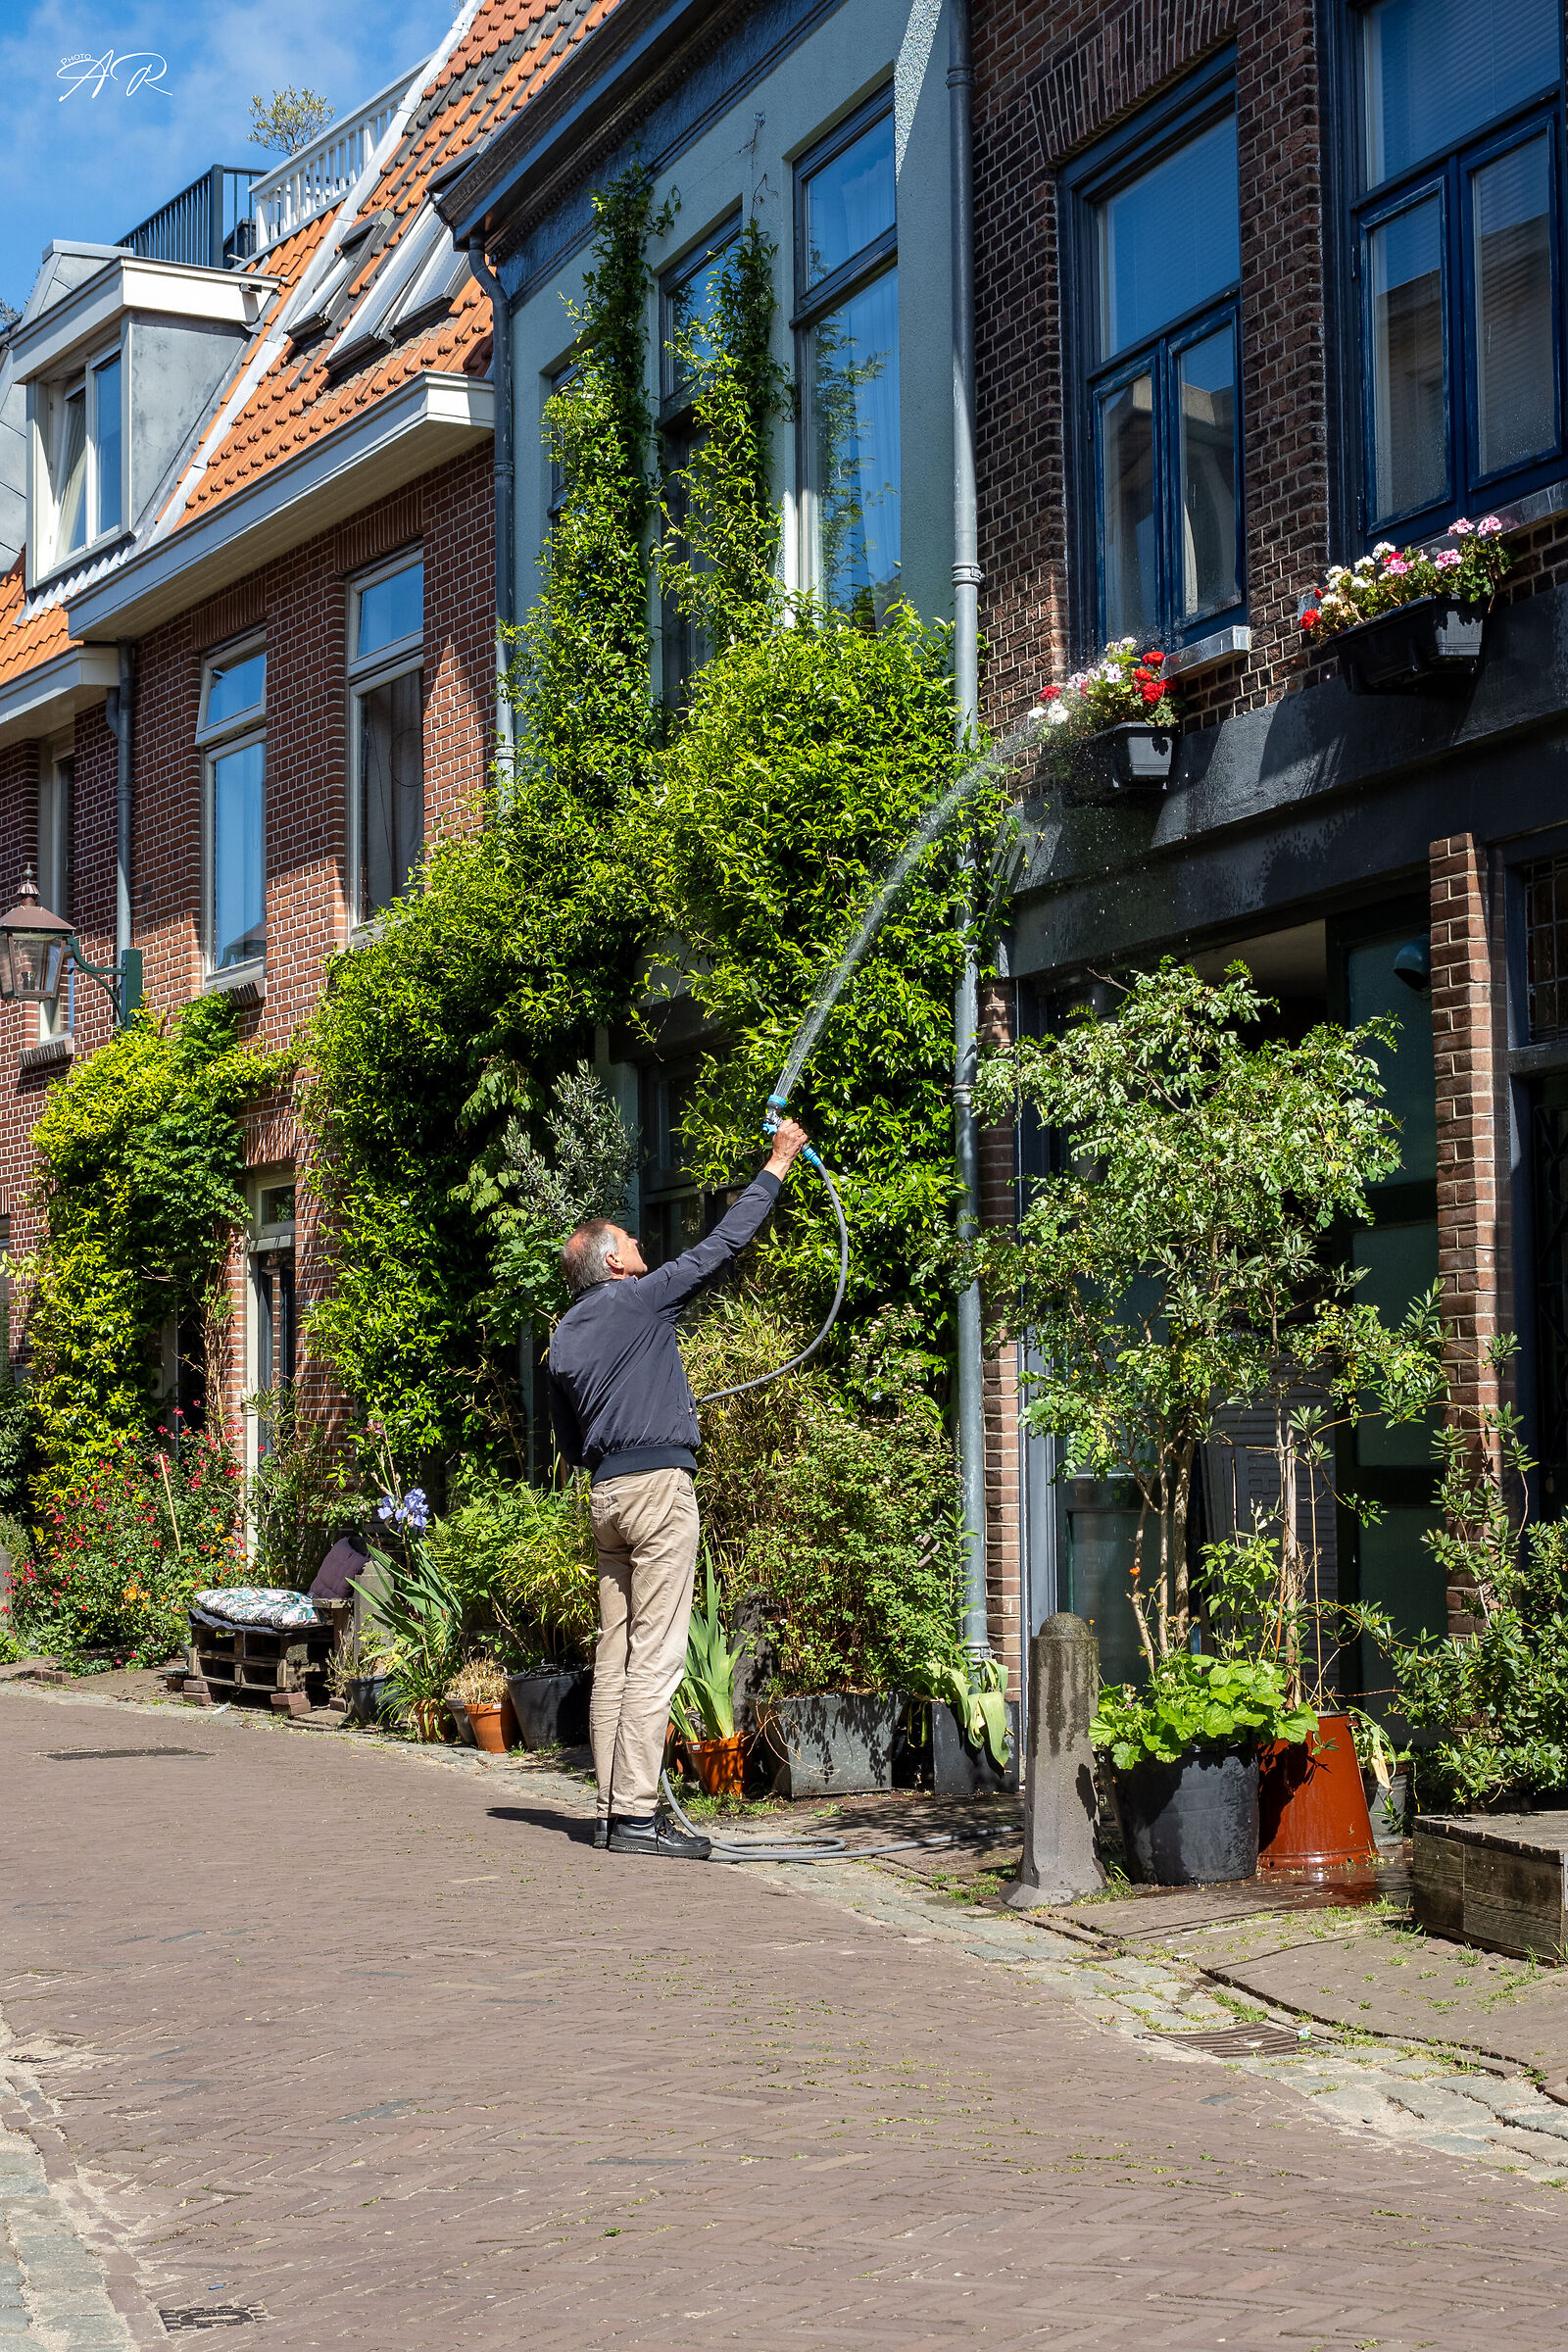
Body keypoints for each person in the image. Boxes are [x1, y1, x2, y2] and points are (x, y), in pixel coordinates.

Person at [548, 1117, 809, 1858]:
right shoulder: (641, 1300)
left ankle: (606, 1811)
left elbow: (570, 1445)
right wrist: (779, 1164)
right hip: (659, 1492)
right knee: (658, 1656)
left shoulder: (563, 1338)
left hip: (605, 1500)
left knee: (615, 1655)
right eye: (631, 1243)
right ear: (615, 1264)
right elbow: (722, 1247)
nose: (642, 1248)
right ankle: (634, 1818)